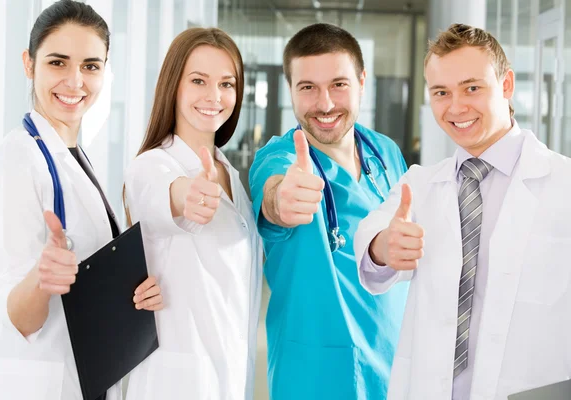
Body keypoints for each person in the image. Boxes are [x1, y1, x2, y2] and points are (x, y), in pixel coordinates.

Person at [355, 23, 571, 399]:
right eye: (441, 92)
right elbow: (371, 241)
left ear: (505, 86)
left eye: (472, 87)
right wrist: (384, 246)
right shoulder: (421, 185)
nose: (456, 107)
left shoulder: (563, 184)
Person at [0, 2, 162, 399]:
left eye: (90, 66)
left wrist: (138, 290)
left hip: (81, 375)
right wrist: (42, 280)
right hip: (33, 382)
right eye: (58, 63)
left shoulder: (72, 152)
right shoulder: (16, 160)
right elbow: (18, 318)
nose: (75, 82)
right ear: (29, 64)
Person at [249, 23, 409, 399]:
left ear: (361, 81)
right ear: (290, 90)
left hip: (395, 366)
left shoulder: (386, 152)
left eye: (338, 84)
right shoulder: (279, 159)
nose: (324, 104)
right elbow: (274, 197)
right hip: (316, 377)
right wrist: (281, 200)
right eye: (307, 88)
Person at [123, 27, 263, 400]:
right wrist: (186, 195)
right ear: (174, 86)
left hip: (228, 376)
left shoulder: (229, 173)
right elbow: (163, 196)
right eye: (198, 80)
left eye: (227, 84)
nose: (214, 97)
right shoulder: (151, 166)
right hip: (177, 383)